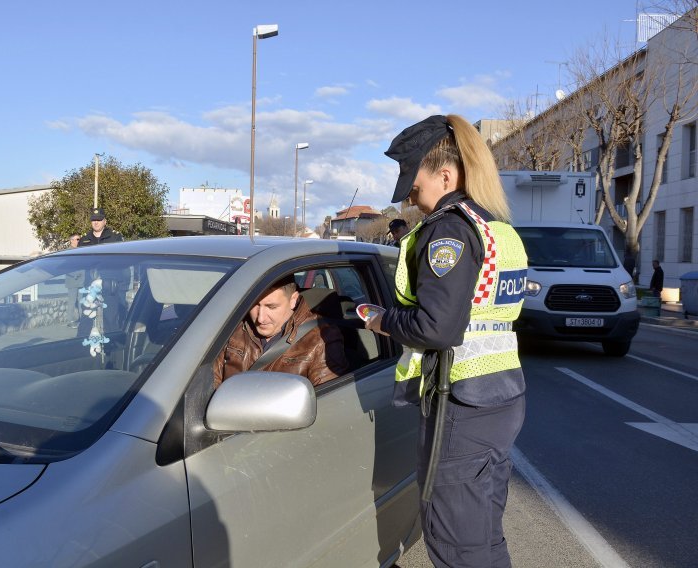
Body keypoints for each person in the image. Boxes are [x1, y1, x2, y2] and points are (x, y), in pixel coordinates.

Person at [365, 114, 527, 568]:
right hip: (501, 397)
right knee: (484, 540)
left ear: (446, 174)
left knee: (455, 541)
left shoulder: (448, 229)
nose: (412, 201)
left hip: (462, 403)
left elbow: (436, 328)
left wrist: (379, 319)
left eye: (414, 188)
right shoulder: (496, 227)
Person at [213, 276, 348, 389]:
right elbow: (208, 382)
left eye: (271, 307)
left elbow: (327, 402)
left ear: (293, 300)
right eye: (255, 305)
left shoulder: (321, 338)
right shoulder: (233, 327)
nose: (260, 318)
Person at [64, 234, 84, 327]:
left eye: (79, 239)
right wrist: (74, 274)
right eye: (77, 239)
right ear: (71, 240)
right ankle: (70, 321)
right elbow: (65, 267)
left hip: (82, 281)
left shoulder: (81, 251)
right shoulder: (68, 252)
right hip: (72, 281)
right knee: (72, 302)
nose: (78, 241)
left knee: (81, 301)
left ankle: (82, 320)